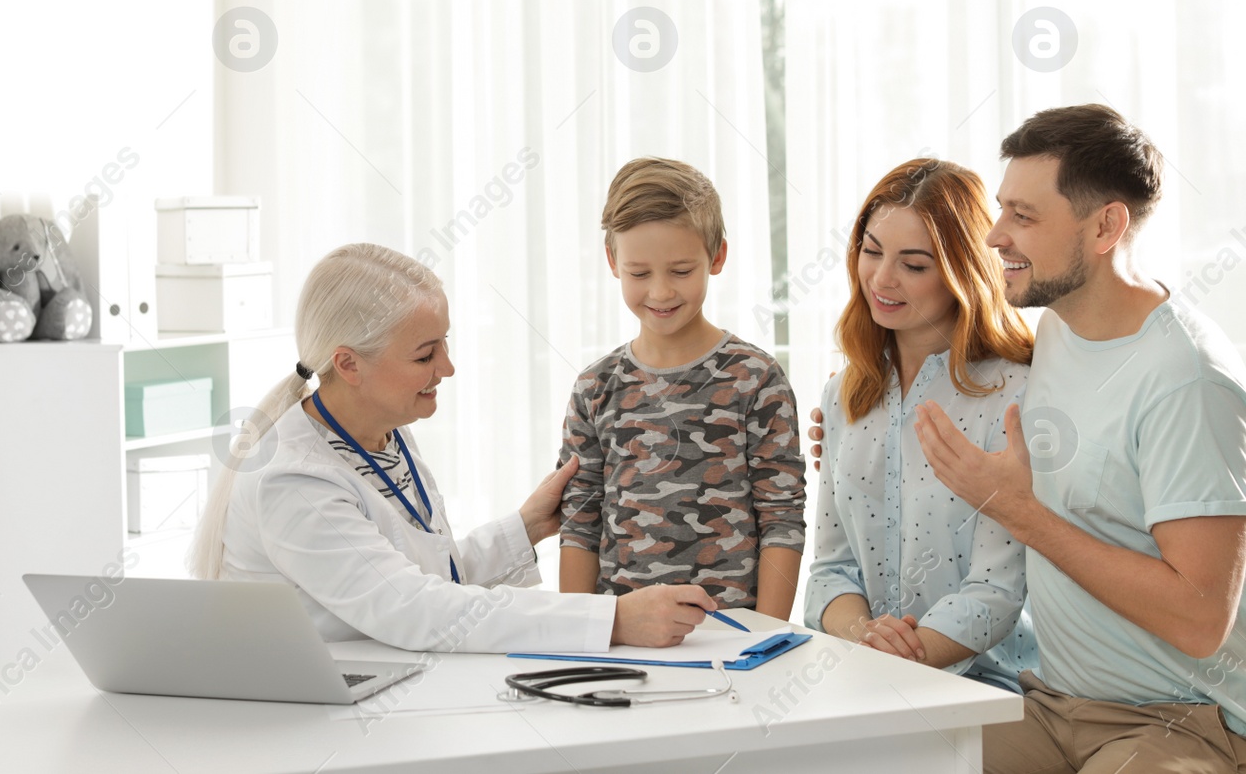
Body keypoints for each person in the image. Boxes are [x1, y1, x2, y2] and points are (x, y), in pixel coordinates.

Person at [910, 105, 1246, 772]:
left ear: (1105, 226)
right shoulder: (1059, 326)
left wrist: (1020, 514)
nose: (996, 234)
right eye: (1003, 209)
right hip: (1051, 700)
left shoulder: (1188, 379)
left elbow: (1201, 619)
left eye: (1024, 217)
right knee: (880, 756)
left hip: (1176, 723)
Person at [189, 242, 718, 654]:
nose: (447, 368)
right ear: (349, 365)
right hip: (312, 718)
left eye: (445, 343)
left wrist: (528, 524)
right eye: (425, 356)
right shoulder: (293, 480)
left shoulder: (383, 433)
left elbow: (430, 576)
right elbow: (415, 608)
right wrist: (614, 620)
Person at [803, 157, 1037, 692]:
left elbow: (998, 589)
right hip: (865, 673)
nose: (882, 280)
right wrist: (869, 641)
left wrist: (903, 657)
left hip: (985, 685)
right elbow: (830, 570)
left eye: (914, 264)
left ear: (962, 271)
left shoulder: (1015, 395)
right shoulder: (843, 394)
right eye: (871, 252)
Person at [557, 158, 805, 619]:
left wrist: (768, 634)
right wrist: (580, 635)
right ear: (613, 262)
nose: (661, 292)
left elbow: (781, 515)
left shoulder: (756, 378)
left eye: (681, 271)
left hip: (733, 636)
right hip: (621, 637)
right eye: (639, 273)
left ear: (717, 257)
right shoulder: (595, 387)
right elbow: (579, 522)